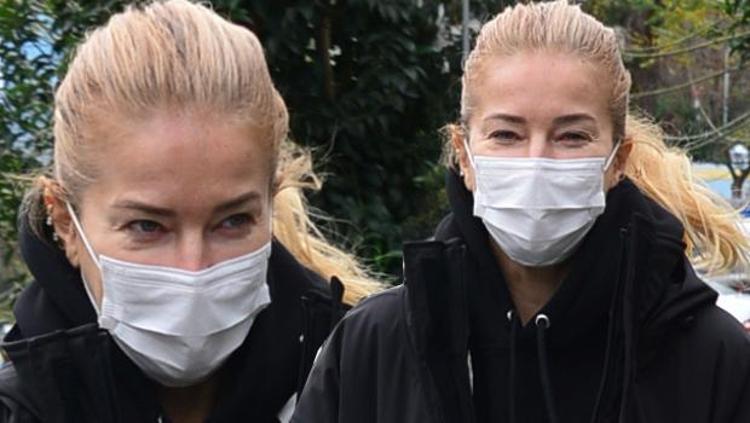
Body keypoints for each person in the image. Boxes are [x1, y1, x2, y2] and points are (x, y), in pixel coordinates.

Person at [292, 1, 750, 422]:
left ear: (618, 161)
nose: (536, 162)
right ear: (464, 155)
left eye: (572, 136)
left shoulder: (712, 358)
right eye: (506, 135)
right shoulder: (374, 346)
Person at [0, 1, 380, 421]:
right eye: (147, 226)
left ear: (269, 202)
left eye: (233, 221)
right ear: (65, 223)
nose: (194, 271)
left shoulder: (367, 387)